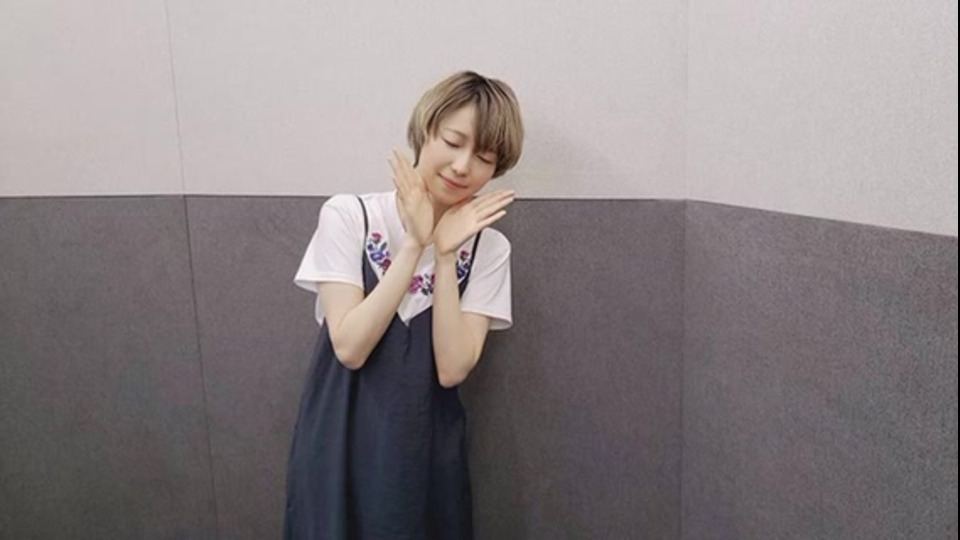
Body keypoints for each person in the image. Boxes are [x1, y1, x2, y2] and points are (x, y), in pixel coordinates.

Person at [283, 71, 524, 539]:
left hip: (424, 450)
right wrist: (415, 243)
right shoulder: (349, 216)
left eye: (483, 157)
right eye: (452, 142)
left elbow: (452, 369)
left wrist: (447, 254)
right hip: (339, 437)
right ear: (425, 130)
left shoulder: (489, 249)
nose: (462, 166)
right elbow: (349, 347)